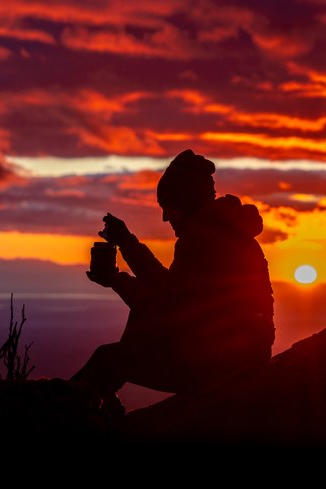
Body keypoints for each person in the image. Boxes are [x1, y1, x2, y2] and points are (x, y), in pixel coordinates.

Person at [72, 149, 275, 408]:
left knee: (108, 359)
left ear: (186, 200)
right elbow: (173, 289)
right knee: (116, 353)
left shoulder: (202, 239)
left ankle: (65, 409)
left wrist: (115, 280)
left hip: (220, 368)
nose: (165, 217)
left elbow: (167, 307)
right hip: (238, 358)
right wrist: (126, 243)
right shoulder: (220, 231)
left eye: (167, 206)